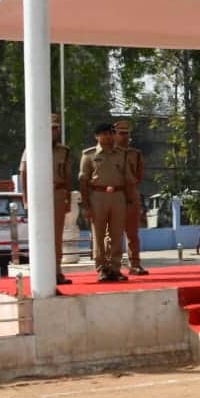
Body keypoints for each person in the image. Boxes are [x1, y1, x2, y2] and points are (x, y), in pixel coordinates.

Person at [20, 113, 76, 286]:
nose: (54, 132)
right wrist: (26, 199)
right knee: (40, 235)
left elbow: (67, 177)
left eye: (57, 128)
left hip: (57, 193)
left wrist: (67, 199)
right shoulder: (32, 147)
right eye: (51, 128)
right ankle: (41, 273)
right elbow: (24, 173)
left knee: (57, 235)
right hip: (39, 195)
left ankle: (57, 272)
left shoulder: (64, 151)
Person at [79, 121, 137, 283]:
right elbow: (83, 181)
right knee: (98, 235)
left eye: (111, 133)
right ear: (97, 136)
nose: (108, 136)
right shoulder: (89, 155)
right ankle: (102, 269)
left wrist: (131, 201)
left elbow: (128, 179)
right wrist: (86, 205)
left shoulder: (121, 154)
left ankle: (115, 268)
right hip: (98, 195)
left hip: (118, 196)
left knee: (117, 235)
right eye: (104, 133)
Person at [113, 120, 149, 276]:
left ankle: (135, 264)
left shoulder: (135, 154)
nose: (125, 136)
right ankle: (113, 266)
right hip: (114, 193)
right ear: (114, 134)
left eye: (127, 133)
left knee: (133, 233)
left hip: (131, 193)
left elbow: (140, 174)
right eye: (121, 133)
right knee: (113, 234)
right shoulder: (110, 153)